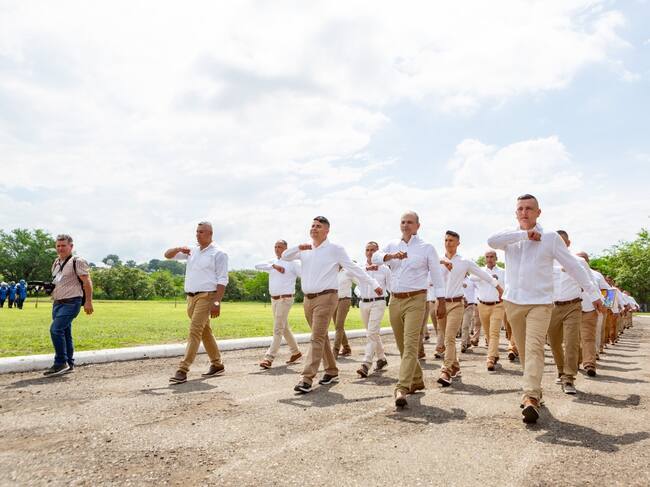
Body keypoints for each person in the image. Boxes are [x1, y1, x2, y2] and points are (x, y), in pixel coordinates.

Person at [488, 194, 602, 424]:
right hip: (513, 302)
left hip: (540, 303)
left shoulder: (550, 238)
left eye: (529, 208)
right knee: (523, 351)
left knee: (534, 349)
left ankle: (530, 396)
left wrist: (594, 293)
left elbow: (573, 265)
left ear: (538, 212)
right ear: (515, 213)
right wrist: (524, 235)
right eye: (520, 208)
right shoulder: (509, 237)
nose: (524, 212)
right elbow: (492, 241)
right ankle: (535, 390)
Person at [282, 216, 381, 394]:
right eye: (312, 225)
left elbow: (353, 268)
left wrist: (373, 284)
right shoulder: (305, 249)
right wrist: (299, 247)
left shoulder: (335, 249)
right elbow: (285, 256)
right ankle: (331, 371)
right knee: (321, 337)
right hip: (308, 299)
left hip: (327, 297)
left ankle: (306, 378)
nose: (314, 228)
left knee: (316, 337)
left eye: (318, 226)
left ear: (327, 231)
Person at [372, 211, 446, 408]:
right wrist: (390, 256)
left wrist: (441, 301)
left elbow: (437, 276)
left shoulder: (426, 248)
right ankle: (417, 379)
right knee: (402, 346)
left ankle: (402, 387)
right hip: (395, 300)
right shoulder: (392, 245)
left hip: (417, 299)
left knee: (411, 344)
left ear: (418, 226)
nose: (406, 225)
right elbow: (376, 257)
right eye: (403, 222)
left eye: (410, 222)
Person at [165, 221, 228, 384]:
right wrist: (179, 248)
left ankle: (183, 369)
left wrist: (216, 302)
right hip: (191, 297)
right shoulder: (192, 250)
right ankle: (217, 364)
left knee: (195, 331)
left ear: (210, 234)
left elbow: (222, 280)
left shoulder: (219, 253)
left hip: (207, 296)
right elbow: (167, 255)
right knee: (205, 331)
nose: (197, 234)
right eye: (197, 231)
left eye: (201, 232)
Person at [436, 231, 503, 386]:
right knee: (445, 337)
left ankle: (446, 370)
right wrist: (441, 261)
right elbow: (423, 268)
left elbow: (483, 274)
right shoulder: (437, 260)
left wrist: (498, 287)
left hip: (456, 304)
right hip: (441, 304)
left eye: (451, 240)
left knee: (450, 337)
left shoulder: (464, 262)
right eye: (446, 240)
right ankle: (455, 366)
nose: (448, 243)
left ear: (458, 243)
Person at [547, 230, 600, 395]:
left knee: (571, 342)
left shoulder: (579, 262)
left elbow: (590, 282)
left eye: (562, 241)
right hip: (551, 307)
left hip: (574, 306)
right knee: (554, 342)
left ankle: (569, 378)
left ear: (568, 243)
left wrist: (598, 300)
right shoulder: (546, 261)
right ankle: (561, 370)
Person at [44, 234, 94, 377]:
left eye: (63, 245)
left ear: (71, 246)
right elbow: (58, 281)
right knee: (65, 333)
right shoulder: (56, 262)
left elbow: (87, 282)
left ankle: (60, 363)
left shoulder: (77, 261)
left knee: (55, 329)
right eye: (58, 246)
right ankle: (69, 363)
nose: (60, 248)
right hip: (57, 302)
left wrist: (88, 301)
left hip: (72, 302)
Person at [254, 240, 302, 369]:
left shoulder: (293, 262)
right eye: (275, 246)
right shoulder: (272, 262)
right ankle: (296, 352)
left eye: (280, 247)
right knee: (284, 327)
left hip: (285, 299)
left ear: (286, 248)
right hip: (274, 299)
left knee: (278, 328)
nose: (277, 249)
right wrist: (274, 266)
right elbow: (257, 265)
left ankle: (269, 358)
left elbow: (304, 274)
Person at [355, 241, 391, 378]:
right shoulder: (360, 268)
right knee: (372, 333)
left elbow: (391, 287)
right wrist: (360, 294)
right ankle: (381, 358)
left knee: (371, 333)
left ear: (378, 252)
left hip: (379, 302)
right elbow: (356, 285)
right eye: (367, 250)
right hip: (363, 303)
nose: (370, 252)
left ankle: (366, 364)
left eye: (373, 250)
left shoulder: (385, 269)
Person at [471, 250, 506, 370]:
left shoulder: (503, 272)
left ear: (496, 258)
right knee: (487, 333)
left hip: (498, 305)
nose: (489, 259)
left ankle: (490, 358)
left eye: (492, 257)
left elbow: (508, 287)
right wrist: (488, 277)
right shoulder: (480, 271)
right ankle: (495, 354)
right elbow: (472, 278)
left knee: (494, 332)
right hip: (482, 305)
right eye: (487, 257)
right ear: (485, 259)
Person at [575, 251, 608, 377]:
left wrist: (606, 305)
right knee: (573, 339)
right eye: (578, 258)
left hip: (590, 310)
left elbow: (607, 290)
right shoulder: (568, 270)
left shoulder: (596, 275)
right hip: (571, 309)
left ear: (587, 261)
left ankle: (589, 364)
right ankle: (575, 362)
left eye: (583, 259)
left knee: (588, 338)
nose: (581, 261)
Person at [332, 267, 354, 357]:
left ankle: (335, 350)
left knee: (339, 325)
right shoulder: (332, 272)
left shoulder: (348, 271)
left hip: (345, 300)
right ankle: (346, 348)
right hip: (334, 300)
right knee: (338, 326)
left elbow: (360, 281)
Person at [460, 275, 478, 353]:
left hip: (469, 306)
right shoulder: (455, 278)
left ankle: (463, 344)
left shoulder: (472, 279)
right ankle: (468, 341)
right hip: (458, 306)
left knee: (465, 325)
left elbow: (479, 288)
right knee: (462, 326)